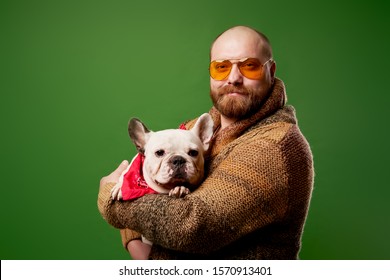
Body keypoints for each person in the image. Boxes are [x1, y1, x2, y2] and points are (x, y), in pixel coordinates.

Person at [98, 25, 314, 259]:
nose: (233, 78)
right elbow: (142, 171)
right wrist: (136, 242)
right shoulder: (194, 129)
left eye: (249, 66)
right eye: (221, 68)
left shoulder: (274, 146)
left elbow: (190, 226)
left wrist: (111, 194)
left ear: (270, 70)